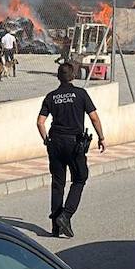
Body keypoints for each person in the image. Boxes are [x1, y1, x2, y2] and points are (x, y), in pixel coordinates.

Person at [36, 61, 105, 238]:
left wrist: (46, 141)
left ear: (58, 78)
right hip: (74, 144)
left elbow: (40, 122)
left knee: (58, 184)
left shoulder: (51, 96)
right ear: (73, 76)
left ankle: (56, 227)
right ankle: (66, 216)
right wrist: (101, 137)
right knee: (80, 178)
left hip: (55, 143)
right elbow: (94, 118)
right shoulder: (80, 94)